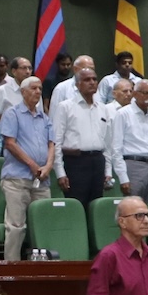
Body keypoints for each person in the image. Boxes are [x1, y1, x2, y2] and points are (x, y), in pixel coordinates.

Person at [0, 76, 53, 262]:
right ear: (23, 92)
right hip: (17, 178)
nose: (38, 92)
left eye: (40, 89)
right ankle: (12, 266)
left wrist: (48, 166)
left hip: (42, 179)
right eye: (33, 88)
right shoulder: (12, 114)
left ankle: (42, 264)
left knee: (44, 223)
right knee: (16, 226)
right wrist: (32, 164)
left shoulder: (44, 118)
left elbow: (52, 145)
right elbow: (10, 143)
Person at [50, 65, 111, 204]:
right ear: (77, 84)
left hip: (98, 161)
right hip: (75, 162)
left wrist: (108, 171)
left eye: (94, 79)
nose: (92, 82)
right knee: (76, 203)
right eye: (87, 80)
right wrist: (60, 172)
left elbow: (107, 143)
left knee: (96, 205)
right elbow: (56, 141)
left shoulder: (102, 108)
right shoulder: (65, 107)